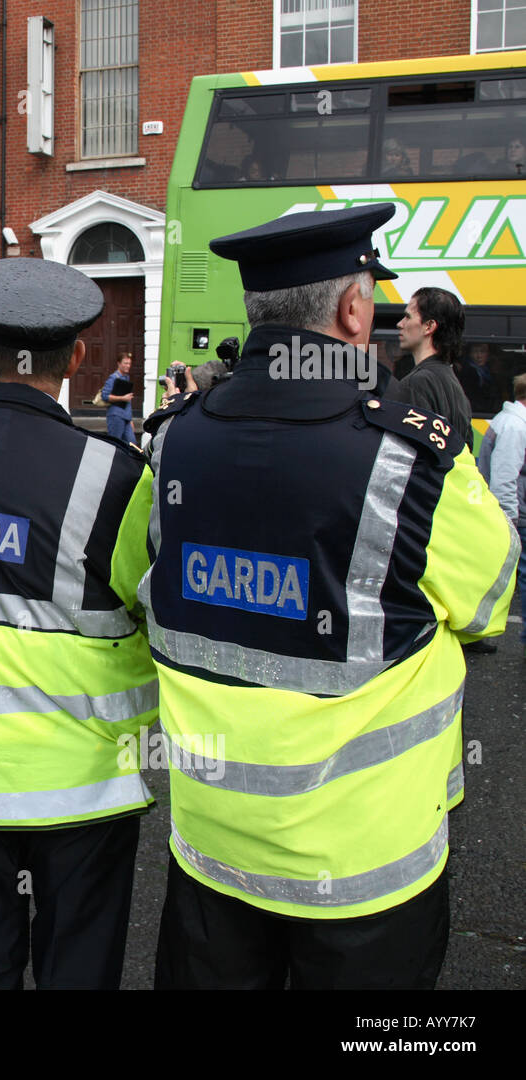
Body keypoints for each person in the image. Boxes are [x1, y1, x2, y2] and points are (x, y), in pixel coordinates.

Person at [141, 204, 519, 990]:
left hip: (213, 850)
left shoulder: (175, 436)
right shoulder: (407, 451)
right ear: (353, 310)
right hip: (365, 869)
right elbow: (487, 600)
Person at [0, 257, 158, 990]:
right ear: (76, 359)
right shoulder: (117, 475)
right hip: (86, 787)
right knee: (79, 970)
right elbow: (151, 605)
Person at [477, 373, 526, 655]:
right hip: (516, 514)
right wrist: (509, 521)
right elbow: (505, 479)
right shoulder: (516, 427)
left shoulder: (507, 421)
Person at [394, 287, 474, 447]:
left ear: (429, 326)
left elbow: (409, 454)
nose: (399, 324)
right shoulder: (453, 382)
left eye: (407, 317)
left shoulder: (415, 384)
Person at [102, 350, 137, 446]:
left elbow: (128, 402)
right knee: (115, 444)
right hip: (116, 416)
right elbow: (104, 396)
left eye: (129, 363)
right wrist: (122, 398)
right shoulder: (113, 378)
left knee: (132, 444)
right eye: (125, 363)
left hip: (126, 417)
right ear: (119, 363)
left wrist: (130, 420)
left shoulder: (126, 378)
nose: (128, 366)